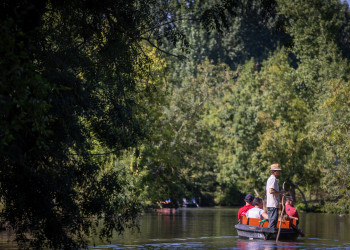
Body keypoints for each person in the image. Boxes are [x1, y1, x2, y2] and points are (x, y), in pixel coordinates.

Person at [266, 163, 284, 228]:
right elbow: (271, 191)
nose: (279, 172)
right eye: (278, 170)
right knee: (273, 223)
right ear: (274, 171)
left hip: (271, 204)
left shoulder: (272, 179)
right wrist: (280, 193)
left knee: (273, 222)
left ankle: (270, 236)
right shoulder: (273, 179)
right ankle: (269, 236)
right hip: (272, 205)